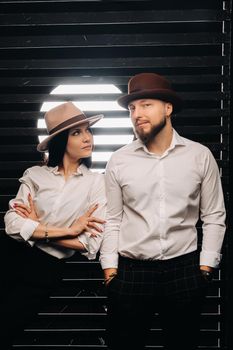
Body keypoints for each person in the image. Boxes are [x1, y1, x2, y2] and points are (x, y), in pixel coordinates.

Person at [99, 72, 226, 350]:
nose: (137, 114)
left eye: (146, 105)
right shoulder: (119, 160)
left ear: (168, 108)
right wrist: (110, 270)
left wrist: (205, 268)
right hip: (131, 272)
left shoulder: (199, 156)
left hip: (185, 270)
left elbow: (214, 216)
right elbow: (112, 218)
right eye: (132, 108)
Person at [1, 101, 106, 348]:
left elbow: (90, 244)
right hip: (8, 256)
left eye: (88, 130)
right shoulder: (35, 175)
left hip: (45, 269)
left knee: (5, 330)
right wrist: (69, 230)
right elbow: (12, 224)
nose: (87, 137)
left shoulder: (97, 183)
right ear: (60, 141)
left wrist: (37, 228)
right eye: (77, 132)